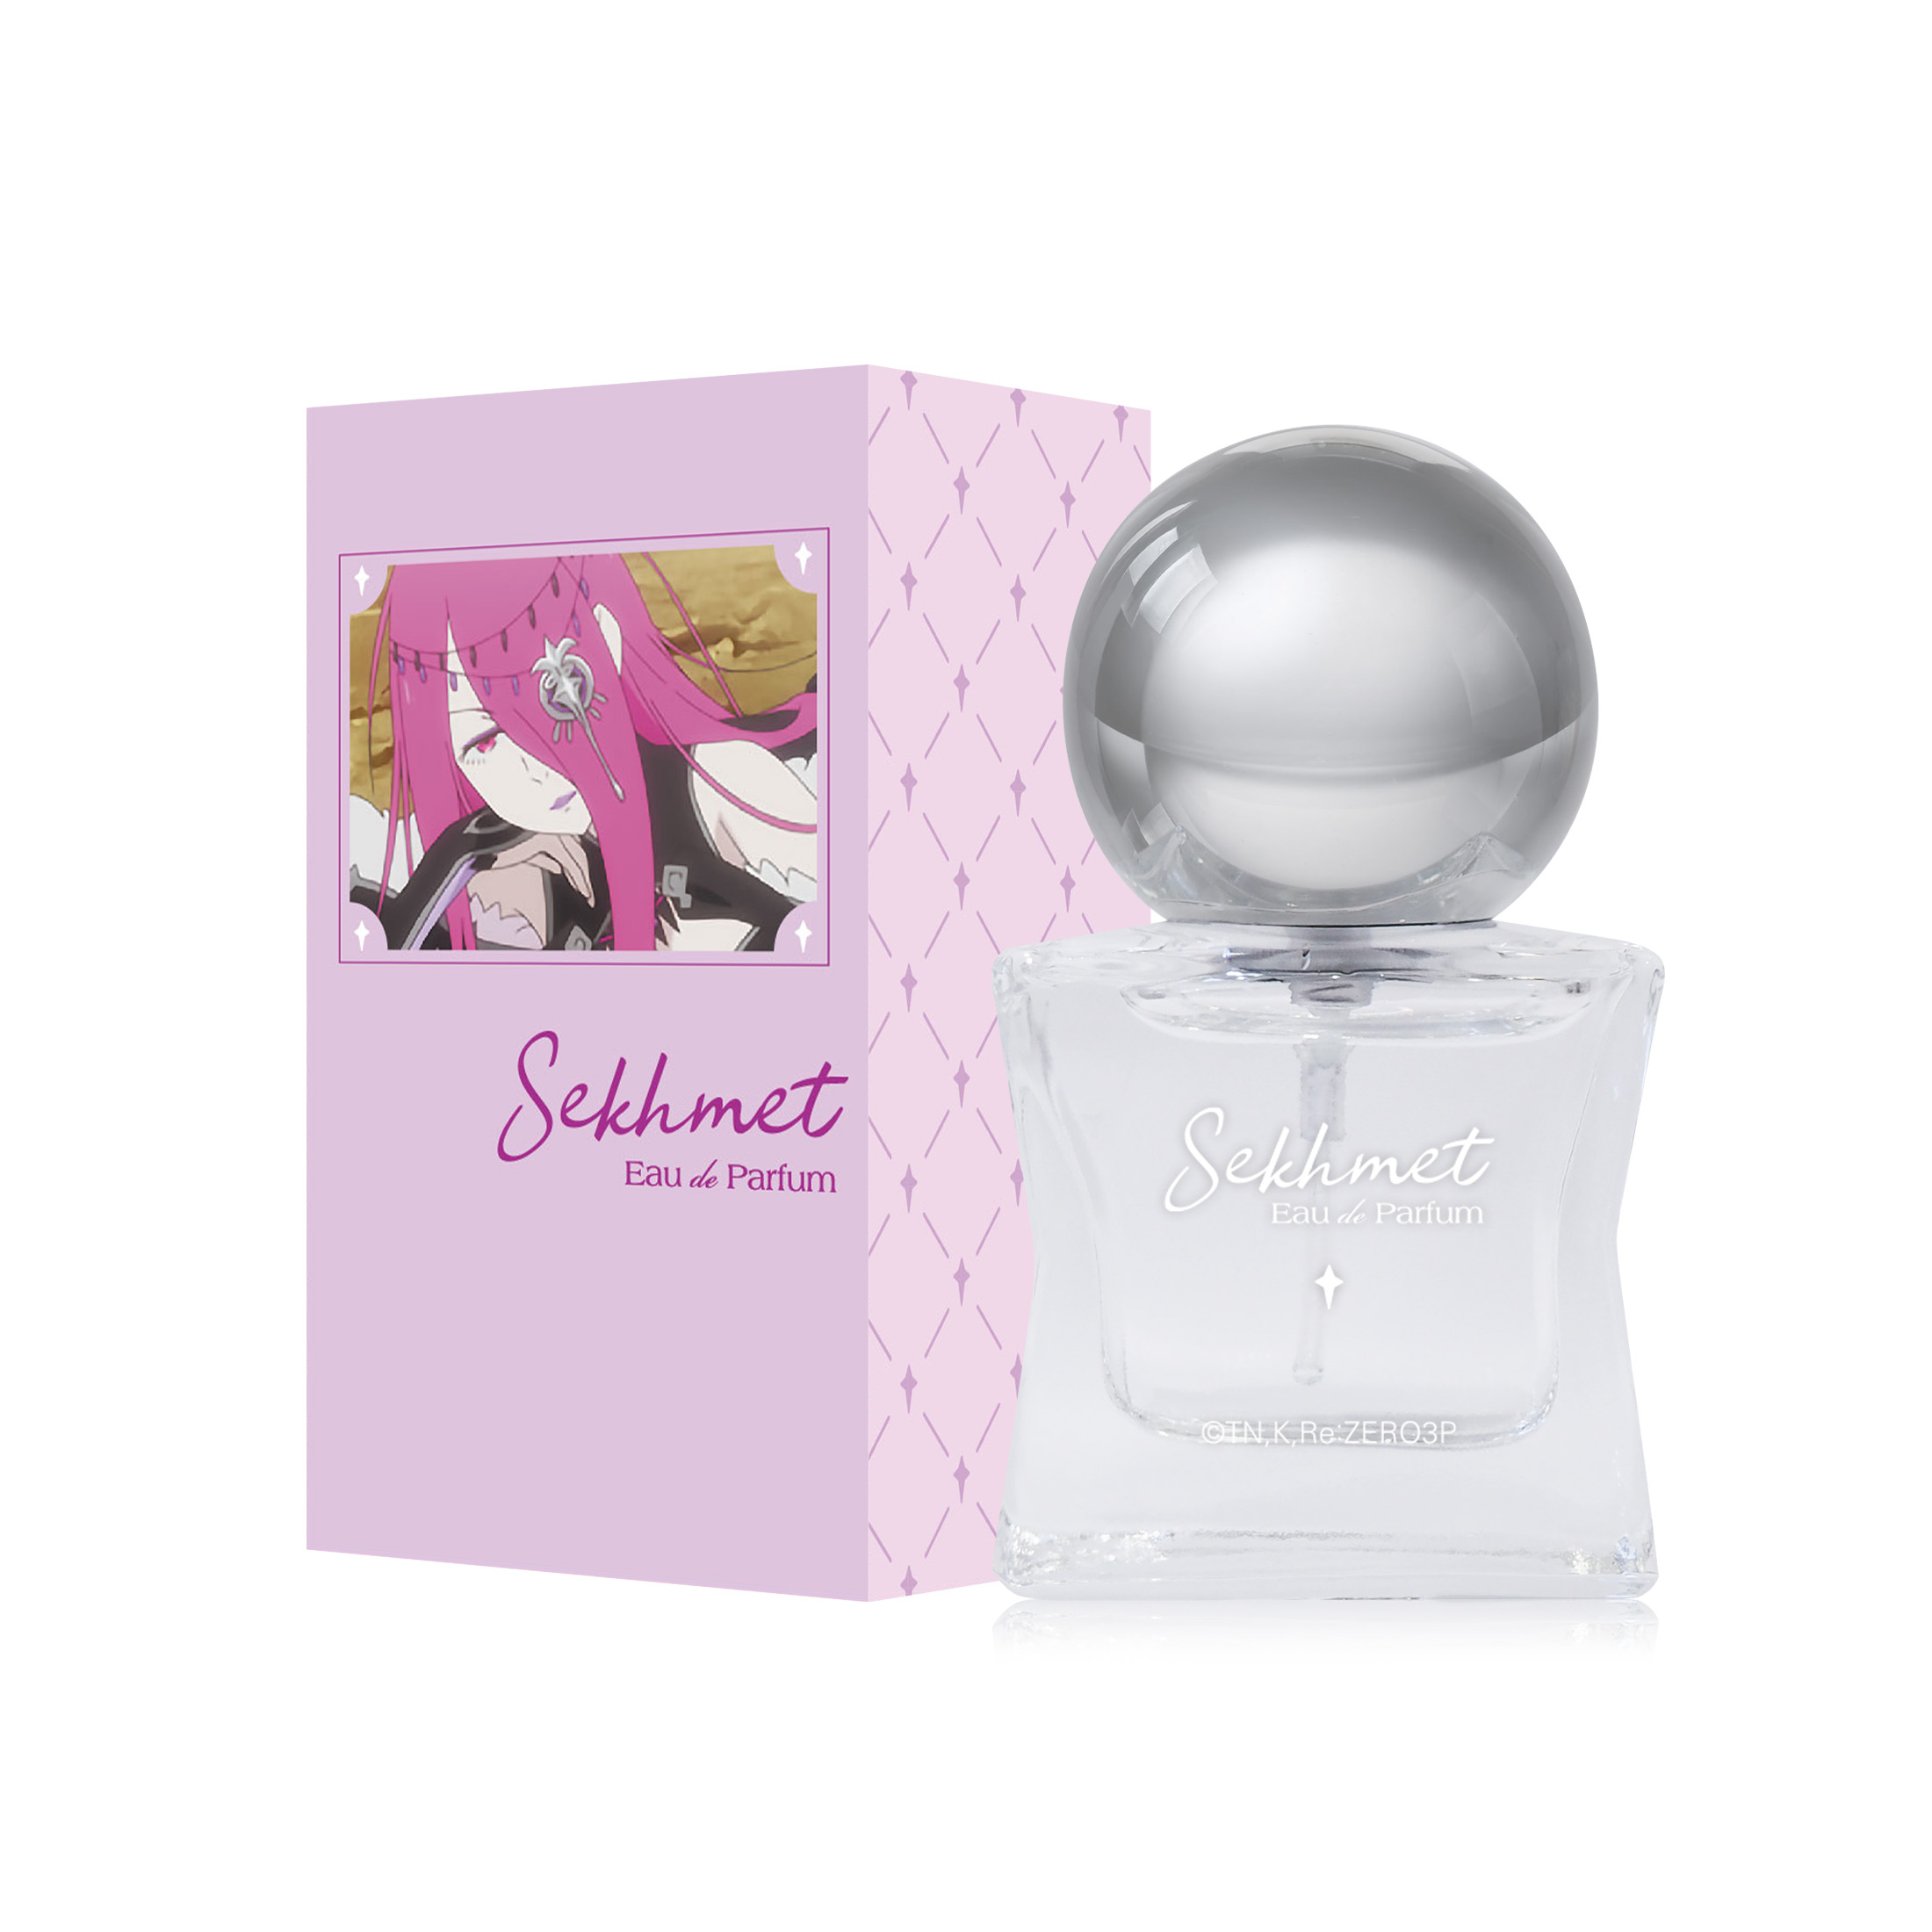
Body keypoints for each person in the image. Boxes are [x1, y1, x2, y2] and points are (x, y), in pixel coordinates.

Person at [349, 551, 818, 951]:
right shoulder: (496, 876)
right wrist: (460, 853)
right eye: (484, 742)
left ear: (606, 636)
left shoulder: (716, 782)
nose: (534, 768)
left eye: (544, 704)